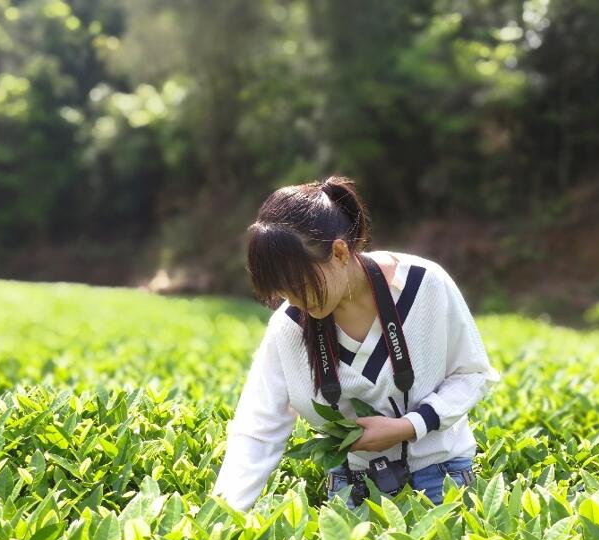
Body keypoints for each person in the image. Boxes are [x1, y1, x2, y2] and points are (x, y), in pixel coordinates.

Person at [211, 176, 501, 512]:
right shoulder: (289, 326)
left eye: (298, 285)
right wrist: (222, 519)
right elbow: (257, 431)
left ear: (338, 251)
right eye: (282, 290)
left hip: (441, 477)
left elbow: (472, 374)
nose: (293, 301)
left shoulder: (423, 285)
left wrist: (409, 426)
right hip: (352, 487)